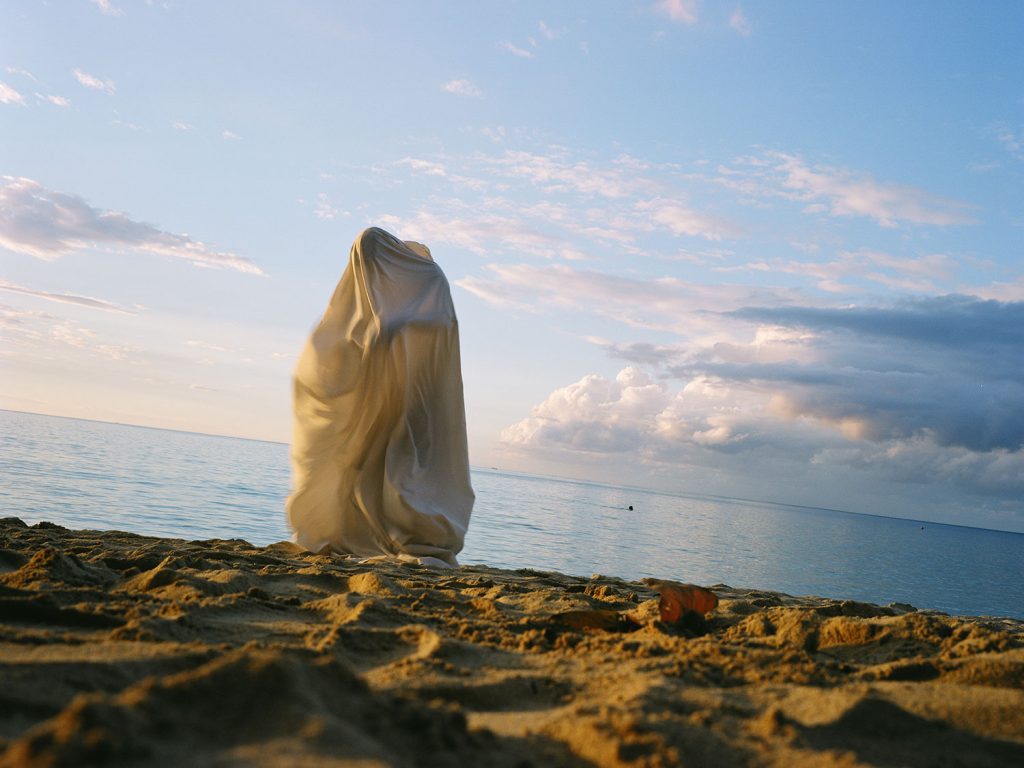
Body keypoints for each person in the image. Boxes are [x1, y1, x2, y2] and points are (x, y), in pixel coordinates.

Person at [286, 227, 474, 567]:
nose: (364, 265)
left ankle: (407, 532)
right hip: (376, 404)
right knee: (364, 468)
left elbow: (437, 329)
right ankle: (360, 531)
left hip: (421, 398)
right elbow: (339, 347)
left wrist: (388, 335)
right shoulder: (375, 295)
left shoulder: (428, 280)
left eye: (369, 256)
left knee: (406, 468)